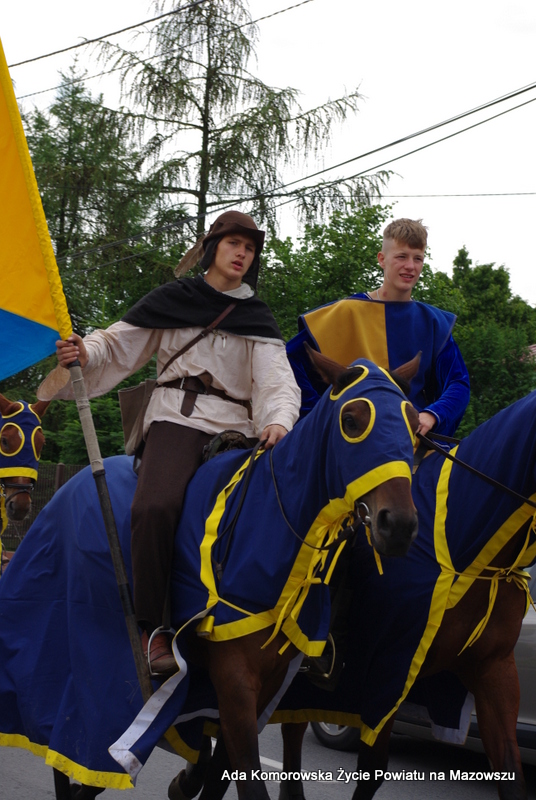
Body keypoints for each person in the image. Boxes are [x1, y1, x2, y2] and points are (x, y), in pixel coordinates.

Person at [41, 210, 301, 675]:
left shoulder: (257, 318)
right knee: (154, 506)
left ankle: (273, 621)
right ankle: (152, 627)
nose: (242, 253)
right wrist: (85, 350)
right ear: (212, 248)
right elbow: (118, 343)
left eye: (250, 248)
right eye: (234, 243)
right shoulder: (174, 299)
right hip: (176, 418)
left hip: (237, 429)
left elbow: (277, 381)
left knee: (278, 510)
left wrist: (279, 421)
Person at [286, 218, 470, 437]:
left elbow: (458, 383)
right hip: (351, 442)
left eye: (418, 258)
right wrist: (317, 416)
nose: (410, 266)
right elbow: (289, 361)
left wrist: (433, 414)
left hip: (413, 439)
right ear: (382, 259)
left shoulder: (434, 322)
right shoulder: (344, 313)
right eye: (401, 256)